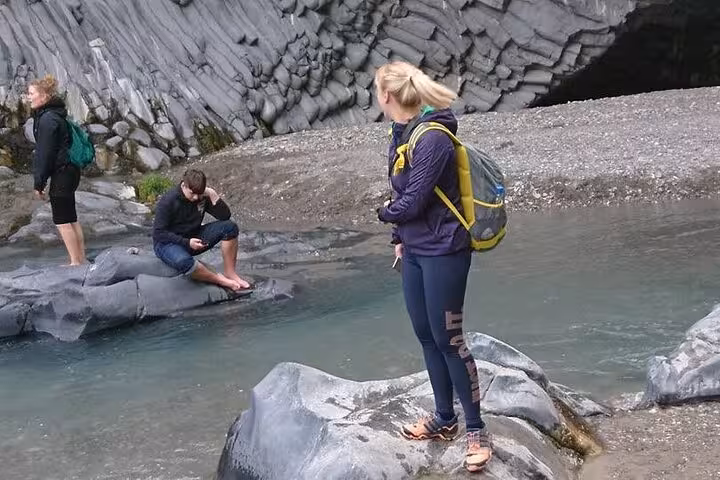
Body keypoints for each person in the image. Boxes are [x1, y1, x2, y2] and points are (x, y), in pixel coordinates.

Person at [375, 61, 493, 473]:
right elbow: (401, 188)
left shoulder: (433, 138)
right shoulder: (400, 132)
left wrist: (384, 215)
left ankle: (477, 431)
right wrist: (398, 240)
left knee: (450, 340)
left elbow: (413, 201)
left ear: (386, 96)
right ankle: (445, 420)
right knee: (426, 336)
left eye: (377, 91)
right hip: (415, 249)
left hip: (445, 249)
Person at [153, 169, 251, 291]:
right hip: (168, 244)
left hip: (194, 237)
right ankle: (220, 280)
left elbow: (225, 216)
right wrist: (186, 242)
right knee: (184, 262)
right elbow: (158, 233)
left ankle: (230, 273)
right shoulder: (168, 201)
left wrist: (213, 194)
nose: (196, 197)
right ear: (184, 185)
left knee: (230, 227)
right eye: (192, 193)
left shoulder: (201, 196)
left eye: (199, 194)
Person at [28, 75, 85, 266]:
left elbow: (44, 154)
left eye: (31, 93)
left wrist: (39, 183)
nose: (29, 97)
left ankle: (75, 263)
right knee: (71, 216)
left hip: (62, 172)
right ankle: (81, 259)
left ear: (44, 96)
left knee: (62, 220)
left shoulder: (47, 119)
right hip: (70, 170)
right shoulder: (57, 114)